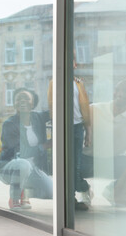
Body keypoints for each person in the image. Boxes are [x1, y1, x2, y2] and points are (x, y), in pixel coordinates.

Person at [86, 80, 126, 205]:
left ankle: (112, 189)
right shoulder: (94, 109)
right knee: (67, 163)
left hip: (114, 160)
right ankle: (84, 189)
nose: (120, 93)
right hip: (87, 158)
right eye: (117, 89)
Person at [0, 88, 52, 210]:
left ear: (33, 103)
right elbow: (20, 152)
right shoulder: (9, 124)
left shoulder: (38, 117)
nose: (23, 101)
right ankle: (14, 198)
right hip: (10, 167)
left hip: (33, 168)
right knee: (23, 164)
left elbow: (56, 109)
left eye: (26, 98)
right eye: (18, 99)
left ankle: (25, 192)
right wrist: (44, 146)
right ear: (15, 104)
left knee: (51, 191)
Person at [47, 59, 92, 211]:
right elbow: (52, 108)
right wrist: (53, 132)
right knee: (62, 164)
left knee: (75, 165)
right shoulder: (54, 82)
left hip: (78, 127)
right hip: (61, 127)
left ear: (75, 65)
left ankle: (76, 194)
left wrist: (88, 133)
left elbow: (84, 108)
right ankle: (68, 198)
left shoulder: (79, 83)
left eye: (71, 61)